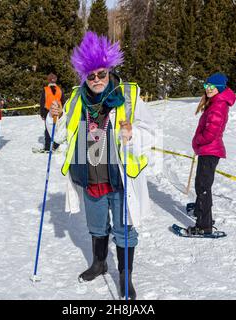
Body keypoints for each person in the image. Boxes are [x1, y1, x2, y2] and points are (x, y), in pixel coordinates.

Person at [47, 31, 155, 300]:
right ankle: (99, 263)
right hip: (89, 174)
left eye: (102, 74)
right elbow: (61, 137)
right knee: (96, 226)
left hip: (119, 177)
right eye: (91, 75)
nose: (96, 80)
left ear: (110, 71)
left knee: (124, 229)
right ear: (84, 76)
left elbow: (151, 132)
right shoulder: (75, 98)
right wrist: (55, 119)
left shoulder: (129, 95)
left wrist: (134, 134)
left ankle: (125, 276)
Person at [189, 72, 236, 235]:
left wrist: (198, 141)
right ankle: (199, 211)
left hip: (210, 150)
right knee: (201, 184)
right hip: (209, 150)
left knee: (203, 186)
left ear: (220, 88)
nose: (208, 89)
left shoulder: (218, 105)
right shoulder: (216, 102)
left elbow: (211, 132)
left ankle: (204, 225)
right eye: (206, 86)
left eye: (212, 86)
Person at [39, 73, 65, 152]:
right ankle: (56, 146)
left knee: (48, 129)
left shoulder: (45, 89)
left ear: (48, 80)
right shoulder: (60, 89)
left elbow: (42, 102)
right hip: (58, 111)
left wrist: (42, 114)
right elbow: (63, 101)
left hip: (48, 112)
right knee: (57, 129)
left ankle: (47, 147)